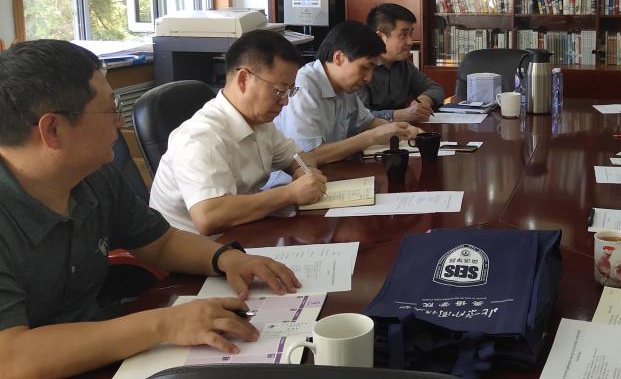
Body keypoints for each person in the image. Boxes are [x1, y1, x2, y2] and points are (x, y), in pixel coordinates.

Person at [0, 40, 301, 378]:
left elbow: (160, 242)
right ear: (53, 129)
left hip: (101, 349)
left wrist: (227, 259)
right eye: (110, 108)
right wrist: (166, 324)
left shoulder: (94, 177)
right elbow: (11, 358)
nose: (119, 121)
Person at [149, 30, 327, 236]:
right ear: (243, 79)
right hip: (197, 247)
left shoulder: (261, 122)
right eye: (279, 90)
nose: (285, 101)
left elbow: (297, 157)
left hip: (241, 232)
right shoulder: (201, 136)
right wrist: (290, 193)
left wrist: (304, 172)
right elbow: (209, 216)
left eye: (290, 91)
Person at [274, 20, 421, 163]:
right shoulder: (304, 86)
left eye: (372, 69)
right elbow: (308, 156)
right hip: (298, 178)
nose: (369, 78)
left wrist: (404, 130)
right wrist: (372, 137)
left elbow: (368, 123)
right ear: (339, 58)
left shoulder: (344, 86)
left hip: (331, 172)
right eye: (365, 67)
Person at [358, 4, 444, 123]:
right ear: (380, 37)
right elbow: (358, 118)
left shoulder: (403, 65)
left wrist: (423, 101)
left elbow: (435, 88)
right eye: (403, 35)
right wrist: (397, 115)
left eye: (411, 34)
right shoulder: (361, 68)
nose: (410, 42)